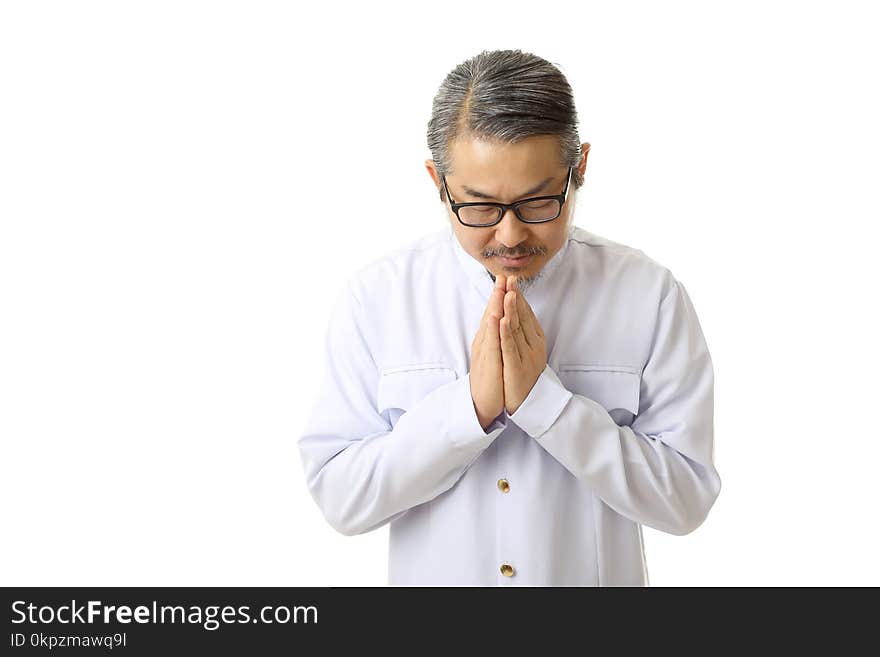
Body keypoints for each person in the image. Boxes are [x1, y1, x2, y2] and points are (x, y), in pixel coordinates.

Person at [297, 49, 720, 586]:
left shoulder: (648, 294)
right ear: (438, 182)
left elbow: (685, 501)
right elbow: (341, 498)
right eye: (479, 207)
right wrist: (467, 410)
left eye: (539, 201)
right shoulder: (378, 298)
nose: (510, 234)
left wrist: (548, 407)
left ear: (580, 169)